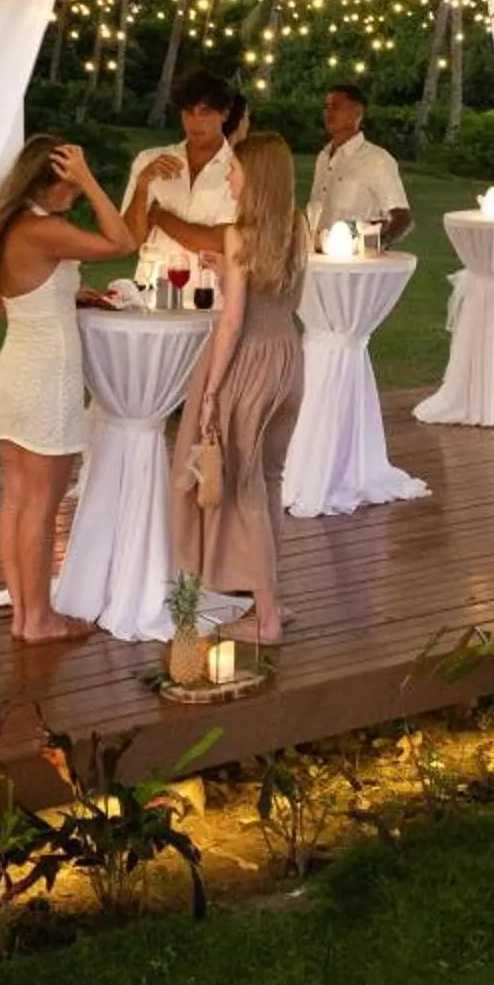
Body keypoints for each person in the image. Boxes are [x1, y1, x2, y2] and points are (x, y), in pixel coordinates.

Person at [0, 137, 137, 643]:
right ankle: (38, 619)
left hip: (11, 375)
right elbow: (122, 242)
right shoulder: (44, 230)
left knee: (17, 500)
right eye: (71, 186)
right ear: (50, 180)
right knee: (41, 505)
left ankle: (25, 614)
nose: (75, 195)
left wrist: (63, 295)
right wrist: (90, 180)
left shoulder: (3, 230)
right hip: (47, 378)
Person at [170, 131, 310, 644]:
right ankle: (269, 599)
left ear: (256, 178)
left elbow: (231, 324)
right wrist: (226, 272)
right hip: (288, 358)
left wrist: (210, 391)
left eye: (234, 169)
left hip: (248, 363)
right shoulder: (297, 227)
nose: (229, 177)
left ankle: (266, 619)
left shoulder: (238, 234)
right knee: (269, 479)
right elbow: (281, 293)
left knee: (244, 486)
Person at [125, 69, 242, 269]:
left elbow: (219, 242)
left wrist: (159, 216)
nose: (195, 122)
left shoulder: (239, 169)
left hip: (212, 284)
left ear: (224, 114)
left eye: (205, 112)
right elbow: (130, 240)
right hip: (154, 283)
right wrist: (142, 185)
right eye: (188, 112)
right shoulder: (149, 161)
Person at [309, 81, 411, 248]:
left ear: (358, 112)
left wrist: (374, 247)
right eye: (326, 107)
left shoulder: (377, 160)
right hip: (317, 255)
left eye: (336, 107)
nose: (329, 113)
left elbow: (402, 219)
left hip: (355, 258)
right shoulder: (323, 158)